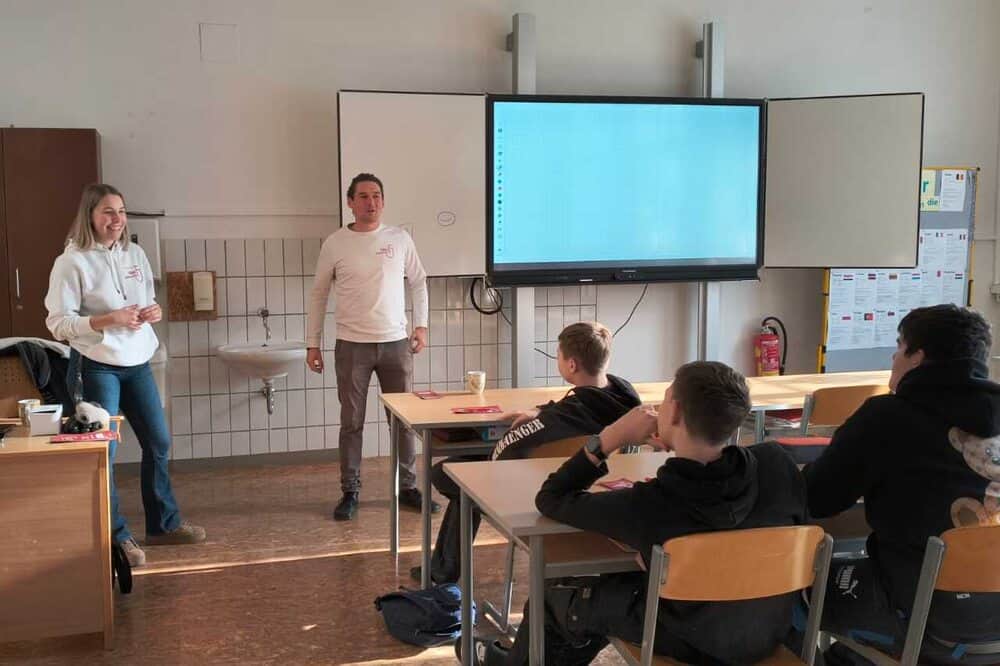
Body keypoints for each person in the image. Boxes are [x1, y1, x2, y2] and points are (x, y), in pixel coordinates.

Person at [465, 361, 808, 665]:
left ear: (674, 413)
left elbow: (552, 498)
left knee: (556, 593)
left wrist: (610, 438)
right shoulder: (777, 464)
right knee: (612, 589)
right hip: (766, 630)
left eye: (666, 399)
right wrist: (680, 446)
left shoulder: (651, 503)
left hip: (688, 639)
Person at [804, 304, 1000, 664]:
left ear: (917, 358)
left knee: (798, 585)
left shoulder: (886, 417)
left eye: (899, 346)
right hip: (994, 624)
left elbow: (818, 498)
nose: (893, 357)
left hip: (921, 618)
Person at [45, 183, 205, 568]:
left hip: (138, 362)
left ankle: (163, 526)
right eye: (108, 212)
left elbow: (147, 300)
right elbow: (58, 324)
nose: (117, 219)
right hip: (96, 363)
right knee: (106, 453)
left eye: (121, 211)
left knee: (159, 441)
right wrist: (108, 319)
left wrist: (153, 312)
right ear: (90, 215)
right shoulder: (71, 262)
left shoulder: (135, 253)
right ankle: (117, 538)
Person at [413, 321, 641, 584]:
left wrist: (489, 462)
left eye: (558, 355)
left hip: (540, 493)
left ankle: (443, 573)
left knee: (448, 476)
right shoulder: (624, 397)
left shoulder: (563, 416)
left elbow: (507, 448)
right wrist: (542, 411)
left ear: (571, 365)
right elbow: (573, 408)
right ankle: (442, 569)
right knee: (461, 485)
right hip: (601, 492)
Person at [306, 172, 437, 521]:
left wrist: (422, 326)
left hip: (396, 343)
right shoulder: (335, 243)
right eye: (363, 196)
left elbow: (419, 282)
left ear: (383, 200)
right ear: (350, 202)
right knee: (352, 422)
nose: (371, 202)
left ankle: (407, 488)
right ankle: (350, 491)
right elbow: (319, 294)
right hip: (352, 346)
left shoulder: (399, 238)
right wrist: (312, 344)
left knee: (403, 421)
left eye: (376, 195)